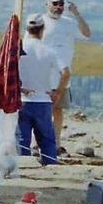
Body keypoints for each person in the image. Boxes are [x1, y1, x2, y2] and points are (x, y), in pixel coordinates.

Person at [41, 0, 90, 146]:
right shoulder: (39, 21)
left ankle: (56, 142)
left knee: (58, 110)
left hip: (62, 76)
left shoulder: (69, 23)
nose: (58, 7)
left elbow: (87, 34)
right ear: (47, 4)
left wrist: (77, 14)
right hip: (42, 75)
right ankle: (38, 142)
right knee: (41, 110)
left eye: (61, 3)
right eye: (54, 3)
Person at [18, 13, 68, 166]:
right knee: (46, 139)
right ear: (42, 29)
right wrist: (58, 92)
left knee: (21, 140)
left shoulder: (18, 49)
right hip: (42, 100)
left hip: (21, 100)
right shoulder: (48, 51)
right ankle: (50, 165)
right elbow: (66, 72)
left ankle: (23, 168)